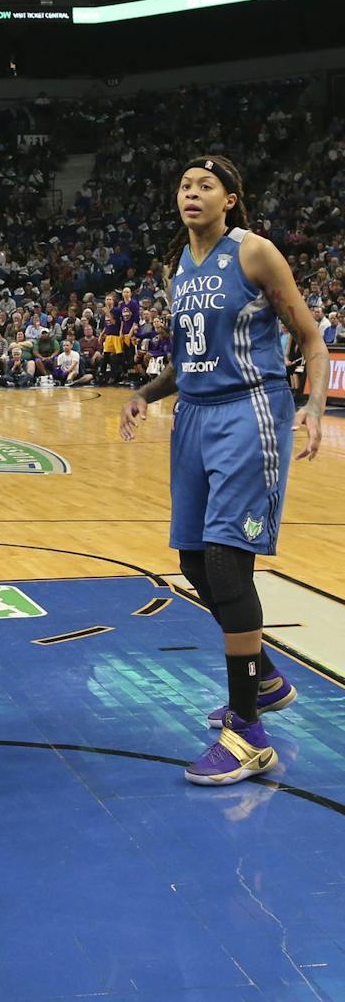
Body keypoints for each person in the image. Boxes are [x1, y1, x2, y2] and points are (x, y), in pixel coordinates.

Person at [120, 155, 325, 786]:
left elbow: (311, 338)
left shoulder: (256, 253)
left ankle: (247, 732)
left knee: (227, 562)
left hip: (250, 411)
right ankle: (261, 677)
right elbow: (187, 362)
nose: (192, 193)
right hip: (194, 417)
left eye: (206, 185)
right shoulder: (177, 266)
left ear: (231, 199)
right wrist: (144, 395)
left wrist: (314, 406)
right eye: (184, 184)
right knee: (190, 562)